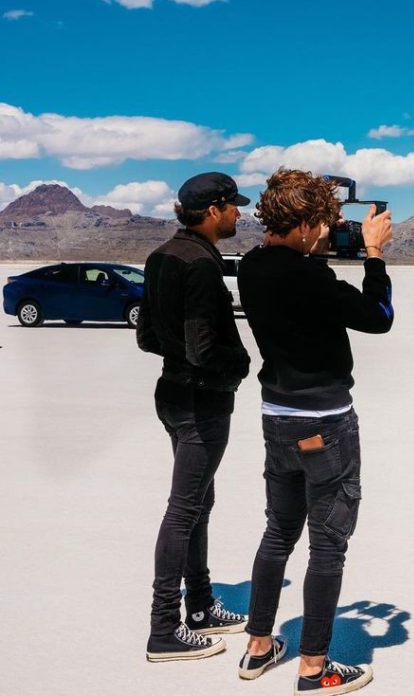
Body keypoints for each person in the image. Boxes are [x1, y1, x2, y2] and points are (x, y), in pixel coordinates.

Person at [237, 169, 394, 695]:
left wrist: (316, 248)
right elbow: (379, 318)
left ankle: (259, 646)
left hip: (276, 417)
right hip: (325, 425)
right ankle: (313, 667)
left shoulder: (253, 267)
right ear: (304, 225)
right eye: (324, 223)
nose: (330, 231)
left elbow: (294, 275)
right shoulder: (313, 278)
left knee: (278, 532)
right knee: (328, 545)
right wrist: (373, 255)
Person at [137, 172, 252, 661]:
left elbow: (146, 336)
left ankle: (201, 606)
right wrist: (241, 365)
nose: (239, 215)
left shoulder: (161, 256)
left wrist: (181, 361)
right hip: (201, 401)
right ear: (213, 211)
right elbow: (203, 347)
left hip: (171, 393)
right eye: (233, 207)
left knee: (198, 504)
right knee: (184, 509)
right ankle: (164, 628)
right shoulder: (201, 266)